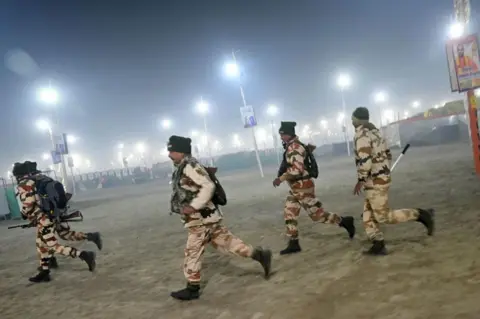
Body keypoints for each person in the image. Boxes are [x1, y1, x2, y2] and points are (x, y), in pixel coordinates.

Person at [168, 135, 272, 301]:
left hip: (200, 219)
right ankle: (259, 255)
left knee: (192, 252)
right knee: (228, 242)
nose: (169, 154)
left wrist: (195, 205)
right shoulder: (185, 165)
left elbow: (209, 186)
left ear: (180, 151)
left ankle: (192, 288)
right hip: (208, 219)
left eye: (171, 151)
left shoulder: (189, 166)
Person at [351, 107, 435, 255]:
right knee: (367, 215)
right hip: (380, 177)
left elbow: (365, 160)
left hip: (375, 181)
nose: (351, 121)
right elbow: (388, 155)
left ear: (358, 119)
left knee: (383, 217)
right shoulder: (376, 133)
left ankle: (420, 214)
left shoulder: (361, 135)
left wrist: (361, 179)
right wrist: (383, 170)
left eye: (353, 118)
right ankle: (378, 243)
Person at [272, 121, 355, 255]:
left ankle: (345, 221)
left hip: (303, 187)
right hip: (296, 188)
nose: (281, 137)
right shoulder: (293, 146)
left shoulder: (294, 148)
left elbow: (297, 170)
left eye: (282, 135)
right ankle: (294, 243)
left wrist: (280, 178)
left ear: (288, 134)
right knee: (289, 213)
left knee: (318, 216)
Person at [13, 161, 98, 283]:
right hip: (51, 215)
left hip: (44, 219)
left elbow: (29, 203)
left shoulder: (25, 184)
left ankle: (84, 255)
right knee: (40, 244)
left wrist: (24, 214)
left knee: (53, 246)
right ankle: (45, 271)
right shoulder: (40, 179)